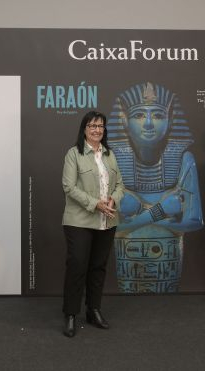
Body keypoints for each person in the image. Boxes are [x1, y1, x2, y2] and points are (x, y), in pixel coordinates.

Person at [107, 82, 203, 293]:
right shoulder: (112, 161)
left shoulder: (184, 159)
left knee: (165, 309)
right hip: (129, 259)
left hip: (167, 260)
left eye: (158, 116)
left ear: (170, 121)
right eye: (139, 115)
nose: (149, 123)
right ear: (124, 121)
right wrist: (159, 212)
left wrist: (137, 216)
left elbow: (194, 222)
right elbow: (107, 229)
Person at [61, 110, 124, 337]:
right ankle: (70, 314)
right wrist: (96, 203)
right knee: (77, 265)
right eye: (92, 126)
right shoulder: (74, 154)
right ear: (84, 129)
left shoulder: (110, 154)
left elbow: (121, 185)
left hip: (107, 220)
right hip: (79, 220)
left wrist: (113, 199)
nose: (97, 130)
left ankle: (93, 310)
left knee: (98, 266)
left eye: (101, 126)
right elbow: (69, 187)